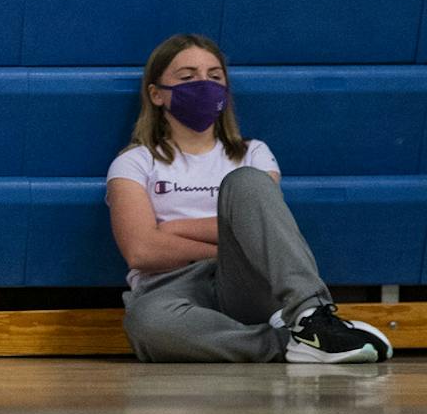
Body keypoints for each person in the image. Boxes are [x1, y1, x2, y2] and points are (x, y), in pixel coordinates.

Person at [106, 33, 392, 364]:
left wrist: (173, 229)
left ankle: (313, 316)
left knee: (245, 183)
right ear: (156, 94)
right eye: (187, 77)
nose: (203, 84)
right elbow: (142, 250)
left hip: (246, 282)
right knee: (148, 326)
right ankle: (292, 341)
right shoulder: (135, 161)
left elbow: (268, 229)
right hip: (171, 288)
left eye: (214, 76)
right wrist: (232, 242)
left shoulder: (253, 154)